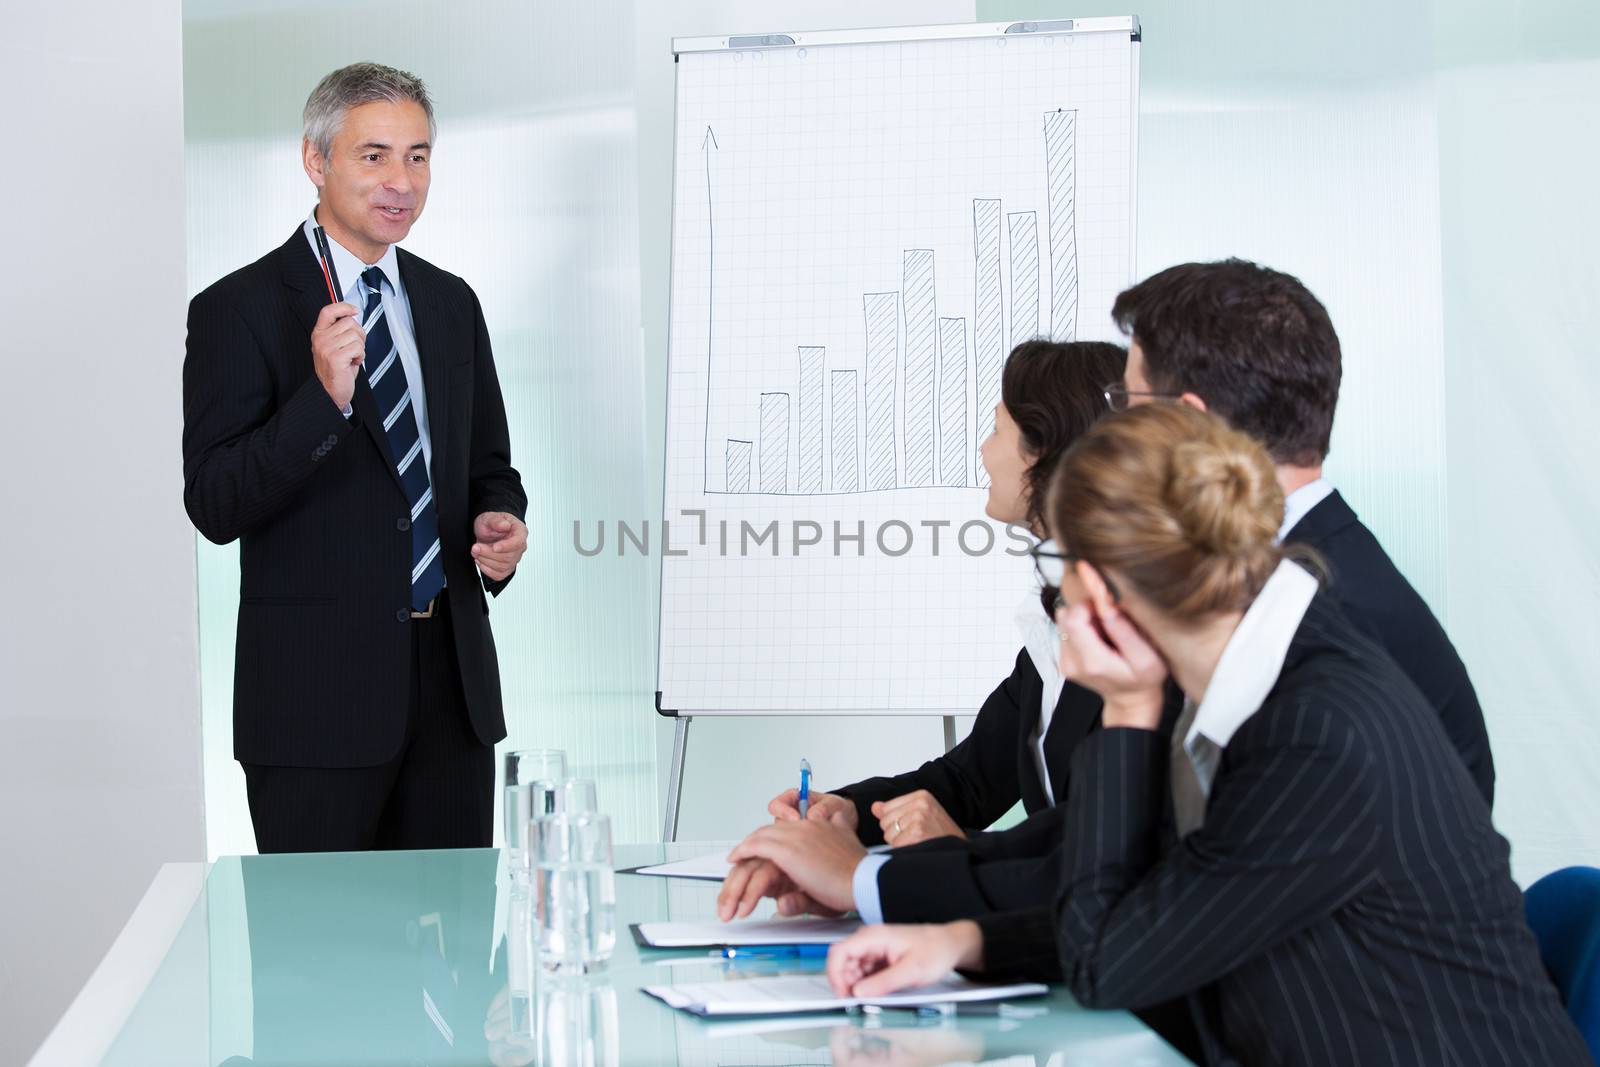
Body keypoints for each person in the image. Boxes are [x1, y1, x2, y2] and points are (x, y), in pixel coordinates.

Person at [720, 259, 1496, 927]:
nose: (1109, 432)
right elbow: (1104, 846)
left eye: (1125, 405)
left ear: (1185, 424)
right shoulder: (1275, 578)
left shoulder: (1315, 612)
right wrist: (869, 860)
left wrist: (878, 881)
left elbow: (1141, 884)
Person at [822, 403, 1588, 1067]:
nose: (1057, 596)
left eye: (1063, 564)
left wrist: (1124, 710)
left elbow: (1107, 958)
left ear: (1114, 581)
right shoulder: (1270, 670)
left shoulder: (1316, 734)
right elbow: (1164, 904)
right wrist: (966, 943)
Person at [182, 63, 528, 853]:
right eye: (374, 155)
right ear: (316, 160)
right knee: (320, 963)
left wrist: (500, 519)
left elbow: (488, 464)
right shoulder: (238, 308)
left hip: (453, 694)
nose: (401, 181)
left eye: (418, 155)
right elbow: (214, 502)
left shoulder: (450, 302)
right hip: (315, 709)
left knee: (459, 960)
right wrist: (322, 401)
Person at [763, 340, 1127, 850]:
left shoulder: (1134, 635)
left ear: (1042, 452)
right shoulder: (1054, 628)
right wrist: (846, 813)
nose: (984, 450)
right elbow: (968, 782)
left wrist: (961, 850)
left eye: (998, 430)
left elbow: (1100, 848)